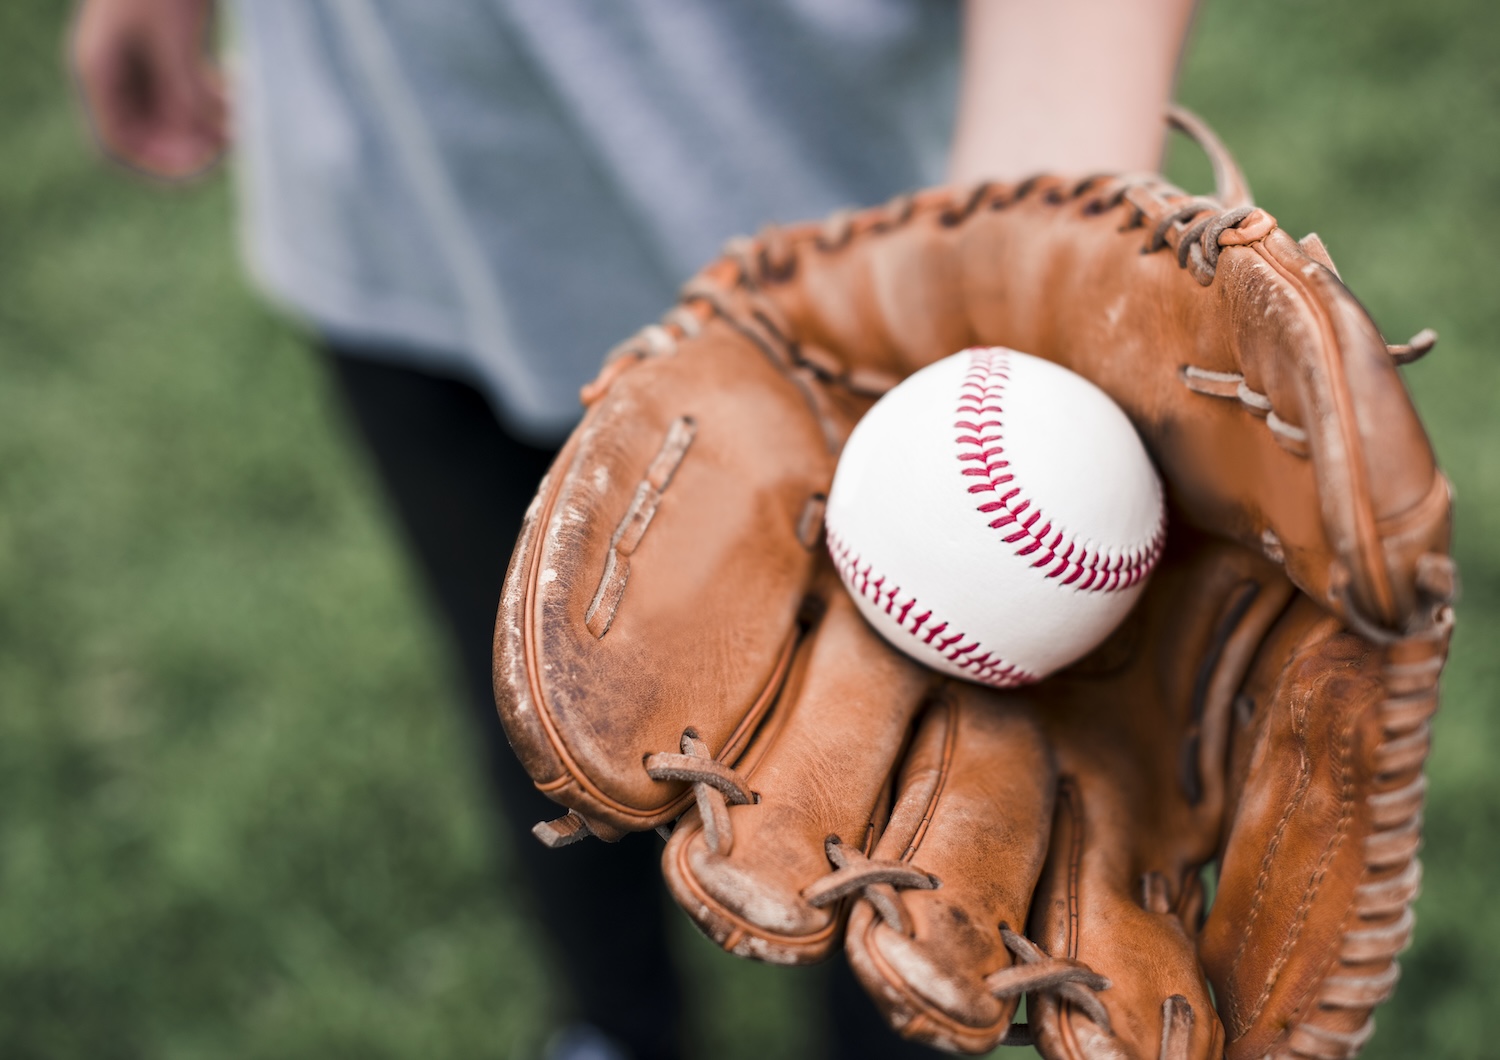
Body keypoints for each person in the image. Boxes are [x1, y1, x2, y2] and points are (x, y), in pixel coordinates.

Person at [68, 2, 1199, 1056]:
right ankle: (611, 1023)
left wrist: (1027, 230)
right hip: (404, 188)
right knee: (534, 691)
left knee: (884, 802)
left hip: (838, 273)